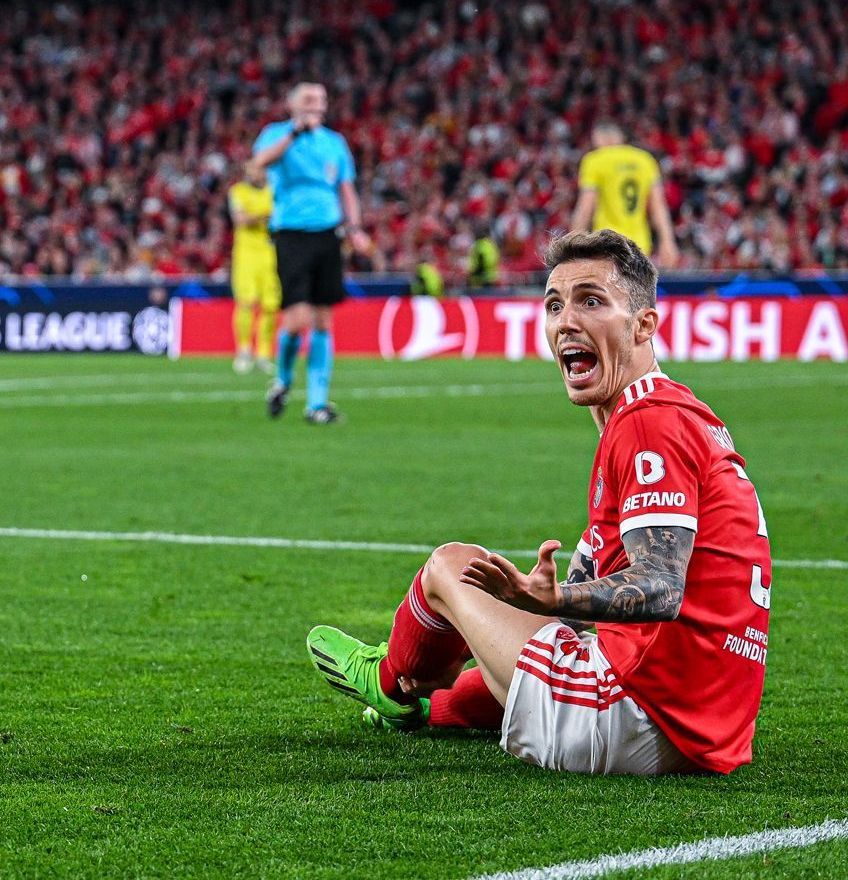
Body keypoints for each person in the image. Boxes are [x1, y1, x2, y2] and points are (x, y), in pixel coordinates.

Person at [306, 230, 771, 775]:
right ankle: (425, 706)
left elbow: (661, 588)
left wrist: (548, 602)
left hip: (631, 714)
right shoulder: (670, 415)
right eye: (555, 305)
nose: (566, 321)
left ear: (645, 325)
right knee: (497, 659)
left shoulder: (648, 422)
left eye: (591, 301)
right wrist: (525, 614)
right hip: (703, 726)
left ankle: (388, 680)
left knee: (453, 566)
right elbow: (585, 600)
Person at [251, 82, 372, 424]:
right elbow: (259, 163)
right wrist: (294, 133)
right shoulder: (277, 135)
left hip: (328, 234)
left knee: (323, 319)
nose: (315, 105)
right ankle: (283, 380)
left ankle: (316, 404)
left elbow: (346, 189)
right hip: (291, 233)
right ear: (292, 105)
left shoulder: (334, 143)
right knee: (297, 320)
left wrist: (356, 228)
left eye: (320, 100)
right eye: (308, 100)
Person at [571, 123, 680, 268]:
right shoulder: (645, 160)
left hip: (607, 243)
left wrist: (572, 244)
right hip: (640, 245)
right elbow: (658, 207)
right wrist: (667, 241)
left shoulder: (594, 160)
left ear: (600, 139)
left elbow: (585, 208)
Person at [227, 161, 280, 374]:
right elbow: (241, 219)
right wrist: (264, 216)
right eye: (249, 170)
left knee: (271, 305)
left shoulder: (274, 192)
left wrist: (259, 216)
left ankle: (264, 354)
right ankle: (244, 350)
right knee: (246, 303)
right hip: (246, 255)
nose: (253, 174)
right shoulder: (237, 191)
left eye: (257, 170)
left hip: (270, 254)